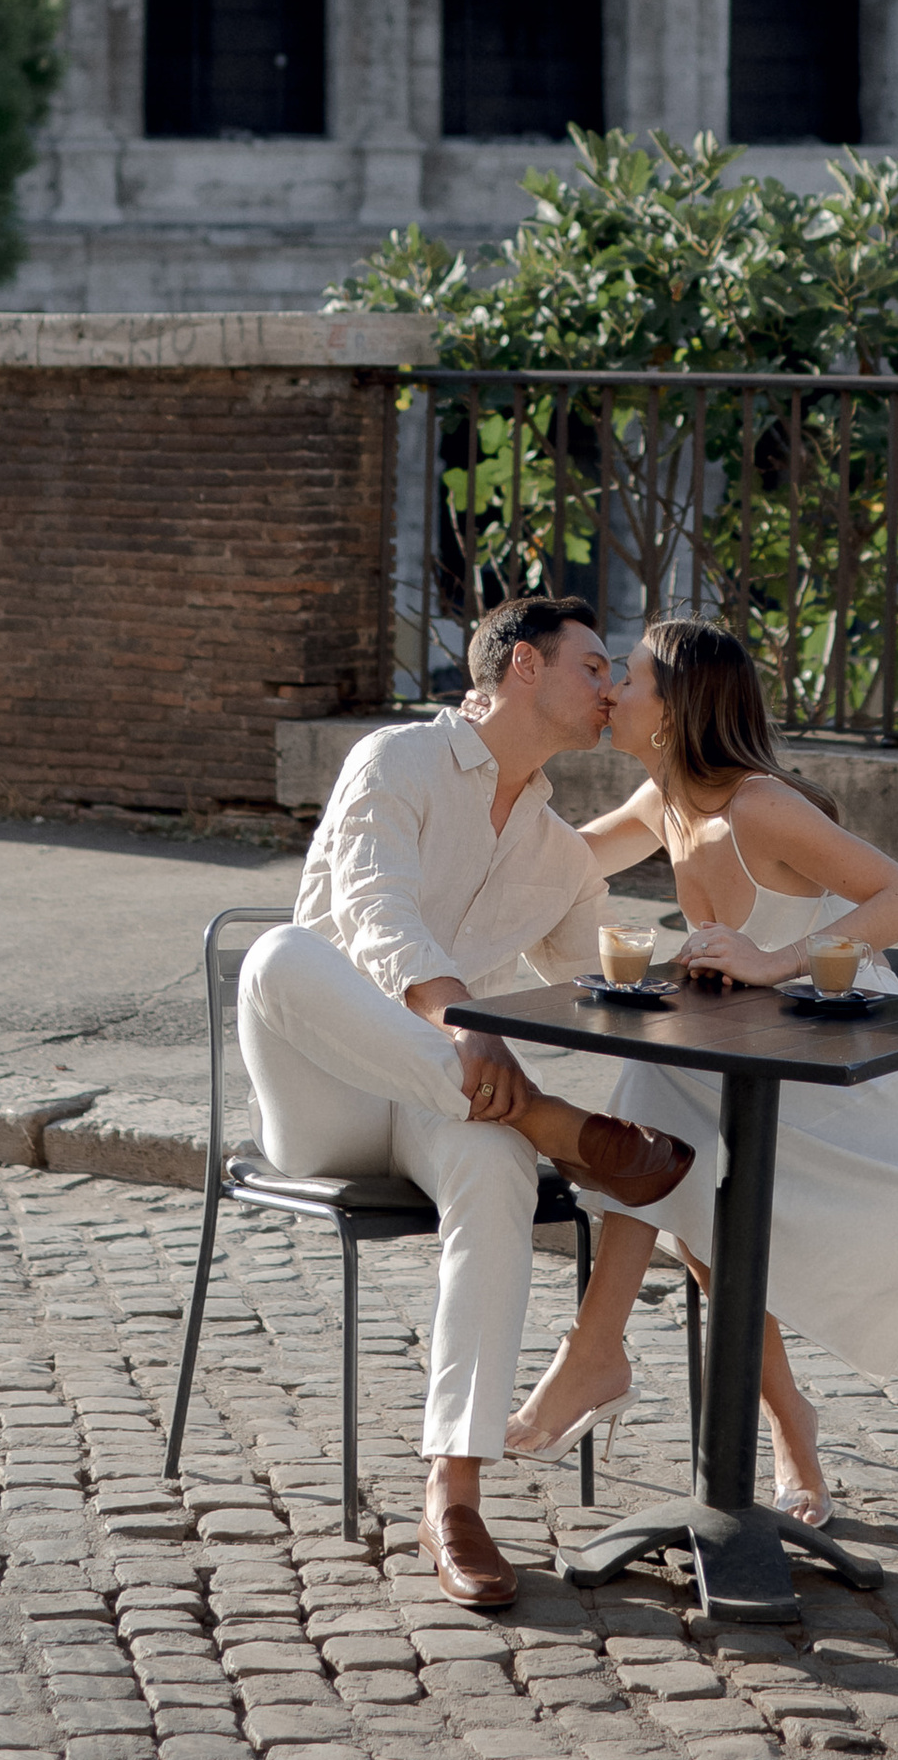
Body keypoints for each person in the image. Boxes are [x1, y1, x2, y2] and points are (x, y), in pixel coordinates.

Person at [235, 593, 696, 1614]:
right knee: (278, 952)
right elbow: (373, 910)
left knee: (493, 1168)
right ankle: (548, 1129)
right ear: (523, 667)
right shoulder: (396, 761)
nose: (612, 688)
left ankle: (454, 1491)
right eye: (593, 668)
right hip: (328, 1083)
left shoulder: (558, 855)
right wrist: (459, 1022)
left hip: (455, 1102)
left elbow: (591, 998)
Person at [504, 614, 898, 1527]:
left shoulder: (758, 806)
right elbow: (552, 864)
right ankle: (785, 1425)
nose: (608, 692)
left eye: (625, 678)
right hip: (748, 1072)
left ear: (672, 710)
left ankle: (598, 1353)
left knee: (661, 1131)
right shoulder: (662, 805)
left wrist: (772, 960)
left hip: (853, 1075)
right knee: (686, 1166)